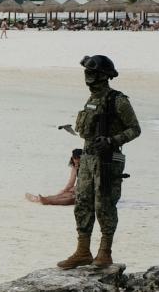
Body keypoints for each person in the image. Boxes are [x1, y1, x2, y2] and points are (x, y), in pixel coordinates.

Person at [57, 56, 141, 269]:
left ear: (104, 76)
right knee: (83, 203)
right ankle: (83, 251)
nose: (89, 78)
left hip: (107, 160)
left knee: (104, 205)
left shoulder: (118, 100)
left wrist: (113, 140)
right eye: (88, 74)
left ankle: (105, 252)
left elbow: (134, 129)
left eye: (93, 74)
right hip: (87, 158)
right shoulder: (91, 100)